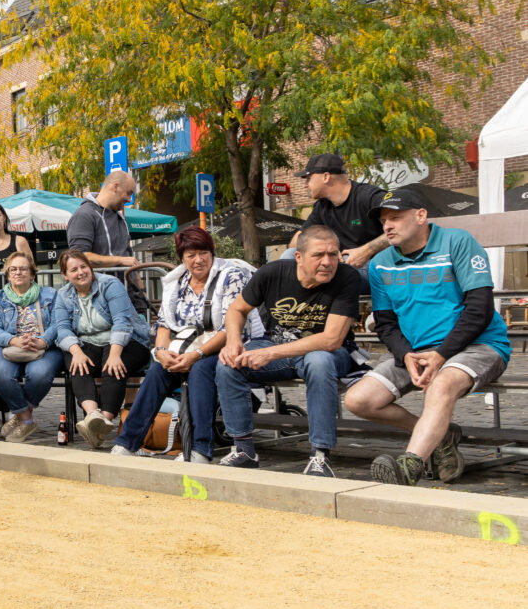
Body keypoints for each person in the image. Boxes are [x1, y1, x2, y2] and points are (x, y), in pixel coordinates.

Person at [343, 189, 512, 485]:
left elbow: (480, 309)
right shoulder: (381, 263)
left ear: (421, 216)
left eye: (395, 218)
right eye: (384, 221)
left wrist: (441, 355)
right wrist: (405, 354)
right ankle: (442, 435)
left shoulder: (457, 242)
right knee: (359, 400)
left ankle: (409, 467)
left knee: (441, 385)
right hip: (416, 350)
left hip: (479, 345)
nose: (387, 226)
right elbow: (385, 323)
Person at [214, 225, 361, 476]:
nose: (327, 262)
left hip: (329, 353)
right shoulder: (272, 273)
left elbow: (331, 340)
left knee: (319, 361)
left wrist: (270, 353)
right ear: (298, 257)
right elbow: (236, 310)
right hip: (278, 346)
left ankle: (320, 456)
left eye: (333, 254)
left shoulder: (347, 278)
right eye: (318, 255)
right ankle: (243, 450)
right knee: (228, 364)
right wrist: (233, 341)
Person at [109, 226, 262, 464]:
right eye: (190, 255)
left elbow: (231, 327)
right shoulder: (177, 282)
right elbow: (163, 325)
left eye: (203, 252)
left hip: (228, 344)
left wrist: (198, 354)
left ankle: (199, 449)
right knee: (158, 370)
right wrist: (161, 352)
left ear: (212, 252)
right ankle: (127, 443)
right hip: (187, 347)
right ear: (182, 258)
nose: (198, 260)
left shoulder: (231, 275)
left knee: (200, 370)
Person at [52, 250, 152, 448]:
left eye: (83, 266)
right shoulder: (63, 295)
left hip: (128, 340)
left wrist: (115, 354)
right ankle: (93, 415)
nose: (80, 272)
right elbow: (62, 329)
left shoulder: (109, 285)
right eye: (74, 270)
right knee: (75, 362)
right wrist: (77, 352)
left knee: (113, 364)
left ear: (90, 267)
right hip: (89, 342)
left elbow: (122, 322)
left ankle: (103, 420)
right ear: (65, 275)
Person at [0, 250, 63, 443]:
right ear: (8, 274)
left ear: (33, 274)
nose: (18, 272)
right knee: (1, 372)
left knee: (40, 374)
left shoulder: (51, 295)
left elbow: (58, 323)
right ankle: (26, 418)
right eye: (13, 269)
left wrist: (43, 341)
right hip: (6, 345)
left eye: (23, 269)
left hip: (44, 346)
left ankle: (20, 414)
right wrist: (14, 340)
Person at [66, 170, 150, 315]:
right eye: (128, 193)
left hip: (130, 296)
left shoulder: (120, 218)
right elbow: (78, 259)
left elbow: (130, 258)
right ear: (115, 186)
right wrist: (120, 260)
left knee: (142, 336)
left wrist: (142, 291)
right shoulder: (84, 215)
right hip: (101, 299)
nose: (129, 199)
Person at [288, 154, 388, 274]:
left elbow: (403, 230)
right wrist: (328, 250)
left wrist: (365, 251)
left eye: (308, 178)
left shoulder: (369, 197)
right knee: (289, 255)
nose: (305, 185)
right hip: (341, 263)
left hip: (375, 266)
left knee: (336, 268)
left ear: (326, 177)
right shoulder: (322, 206)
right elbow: (296, 242)